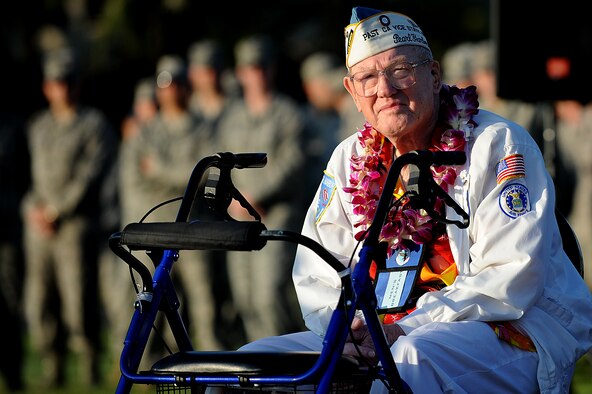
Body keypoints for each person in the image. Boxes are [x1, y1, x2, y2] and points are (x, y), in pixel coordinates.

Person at [236, 7, 592, 393]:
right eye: (367, 78)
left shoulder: (497, 143)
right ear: (353, 93)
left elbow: (511, 275)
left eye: (400, 70)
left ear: (434, 75)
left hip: (499, 327)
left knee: (408, 360)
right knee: (253, 364)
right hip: (378, 332)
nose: (385, 89)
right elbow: (318, 272)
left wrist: (399, 330)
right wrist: (356, 333)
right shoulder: (348, 158)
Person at [21, 47, 117, 387]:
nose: (61, 88)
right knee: (39, 302)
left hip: (74, 226)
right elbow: (30, 176)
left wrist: (57, 209)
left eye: (67, 81)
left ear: (75, 85)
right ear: (47, 87)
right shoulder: (38, 126)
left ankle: (89, 362)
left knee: (78, 302)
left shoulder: (93, 125)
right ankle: (52, 365)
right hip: (39, 228)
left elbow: (89, 176)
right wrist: (34, 208)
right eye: (55, 82)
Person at [119, 54, 223, 357]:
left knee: (204, 300)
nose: (170, 90)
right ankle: (141, 364)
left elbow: (203, 175)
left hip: (193, 228)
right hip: (155, 229)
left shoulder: (203, 128)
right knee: (148, 300)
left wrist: (160, 169)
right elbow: (136, 178)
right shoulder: (145, 131)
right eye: (164, 84)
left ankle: (211, 361)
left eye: (176, 83)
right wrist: (182, 175)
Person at [215, 34, 307, 343]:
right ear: (240, 73)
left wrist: (256, 196)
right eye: (250, 67)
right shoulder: (232, 116)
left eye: (262, 66)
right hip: (237, 216)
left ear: (272, 69)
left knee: (270, 295)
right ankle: (260, 370)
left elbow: (292, 162)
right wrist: (233, 198)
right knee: (245, 299)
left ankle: (284, 367)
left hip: (275, 214)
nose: (256, 74)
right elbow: (219, 161)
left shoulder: (289, 113)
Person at [0, 111, 29, 392]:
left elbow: (24, 177)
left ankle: (13, 375)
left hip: (5, 231)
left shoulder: (11, 127)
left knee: (8, 306)